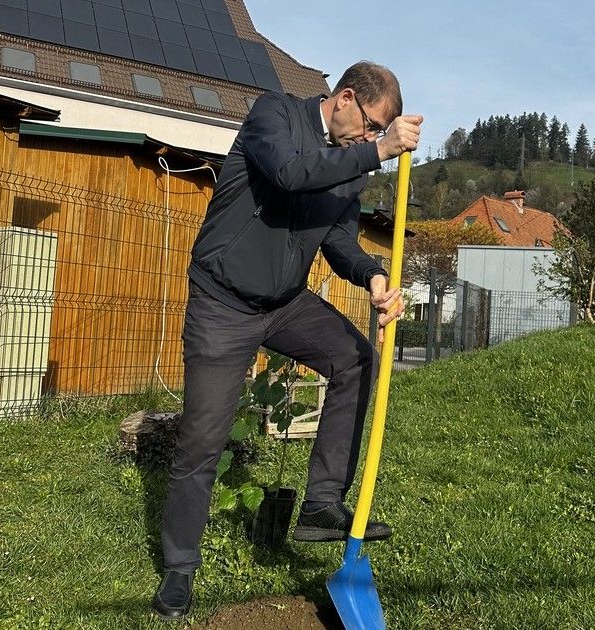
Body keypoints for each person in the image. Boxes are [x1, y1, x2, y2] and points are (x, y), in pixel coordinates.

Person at [152, 60, 422, 619]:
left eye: (378, 133)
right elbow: (290, 173)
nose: (372, 138)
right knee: (202, 441)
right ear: (344, 98)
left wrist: (372, 274)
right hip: (222, 303)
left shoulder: (351, 167)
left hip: (283, 303)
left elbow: (339, 241)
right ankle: (179, 569)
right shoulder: (273, 114)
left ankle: (322, 504)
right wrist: (376, 151)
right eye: (371, 125)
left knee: (355, 359)